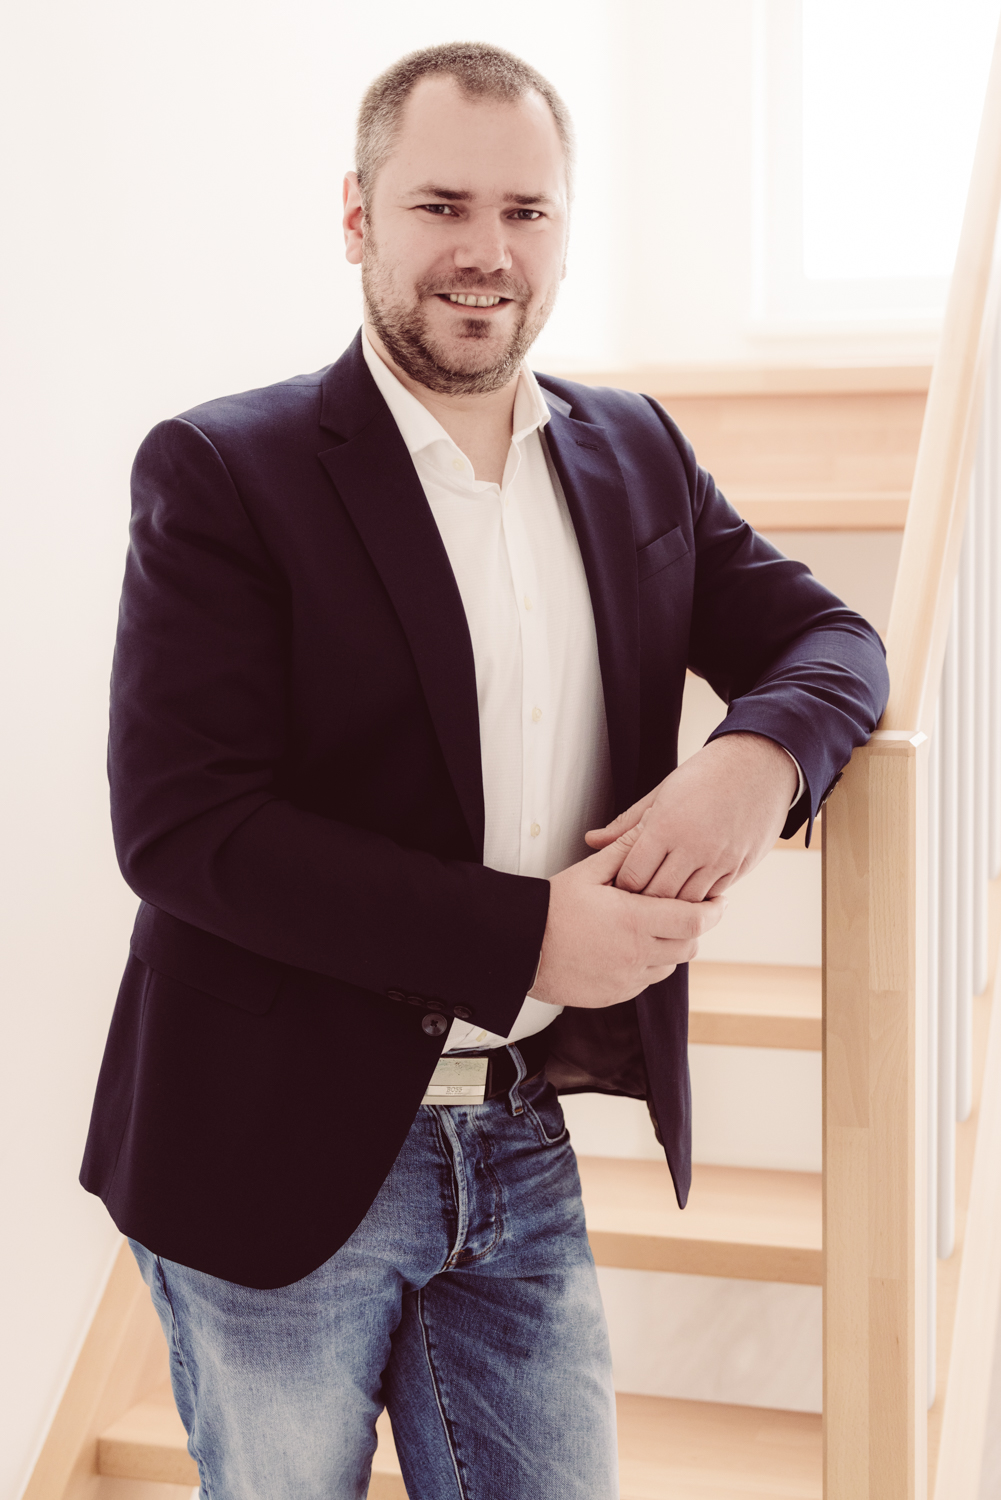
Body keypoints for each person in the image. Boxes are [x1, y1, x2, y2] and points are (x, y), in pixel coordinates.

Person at [80, 40, 888, 1500]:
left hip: (518, 1137)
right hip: (262, 1138)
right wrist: (527, 938)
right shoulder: (223, 469)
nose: (486, 252)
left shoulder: (634, 449)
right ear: (357, 217)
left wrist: (756, 761)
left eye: (525, 212)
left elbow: (830, 640)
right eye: (441, 206)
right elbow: (186, 826)